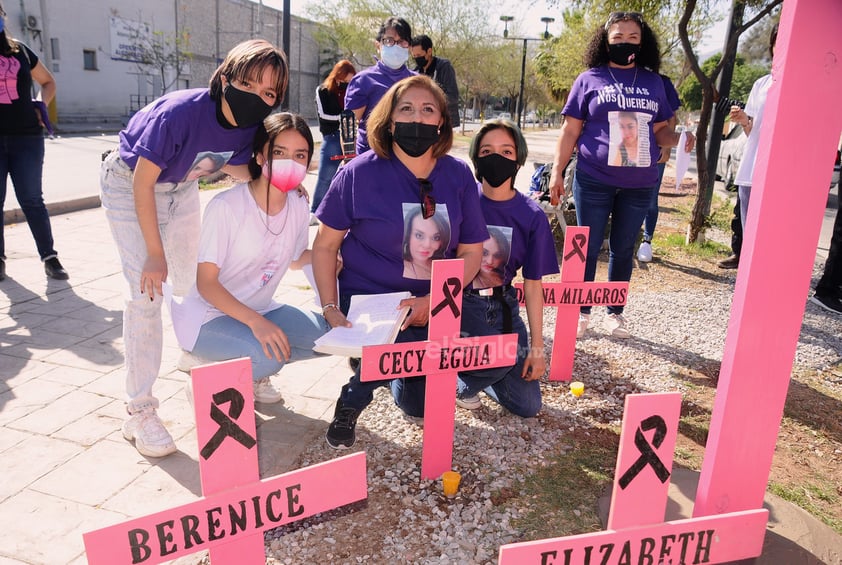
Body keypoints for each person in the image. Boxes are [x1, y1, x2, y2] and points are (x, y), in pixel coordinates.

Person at [101, 39, 288, 458]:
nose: (258, 96)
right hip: (129, 180)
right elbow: (142, 182)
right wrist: (154, 251)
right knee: (146, 293)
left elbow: (239, 167)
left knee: (193, 286)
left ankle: (198, 357)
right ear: (225, 77)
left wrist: (281, 182)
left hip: (182, 187)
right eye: (249, 83)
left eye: (270, 92)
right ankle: (139, 409)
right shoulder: (179, 113)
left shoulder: (249, 127)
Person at [312, 75, 488, 449]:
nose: (417, 118)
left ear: (442, 121)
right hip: (373, 297)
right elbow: (326, 246)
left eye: (428, 110)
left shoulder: (457, 175)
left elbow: (472, 250)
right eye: (405, 109)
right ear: (389, 121)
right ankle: (353, 398)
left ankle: (389, 371)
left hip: (438, 298)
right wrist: (329, 307)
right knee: (393, 344)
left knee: (431, 393)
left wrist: (438, 300)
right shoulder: (358, 173)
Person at [547, 11, 695, 339]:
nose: (624, 43)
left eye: (632, 38)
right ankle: (582, 311)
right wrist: (557, 171)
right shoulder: (589, 79)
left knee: (623, 247)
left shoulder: (654, 83)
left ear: (643, 44)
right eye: (617, 38)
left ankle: (615, 313)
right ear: (605, 41)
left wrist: (681, 138)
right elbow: (570, 131)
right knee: (584, 246)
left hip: (639, 183)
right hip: (593, 178)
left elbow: (661, 133)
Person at [171, 113, 328, 403]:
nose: (289, 162)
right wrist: (256, 323)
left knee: (328, 338)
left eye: (299, 155)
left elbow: (295, 259)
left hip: (261, 308)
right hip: (206, 318)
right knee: (269, 357)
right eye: (279, 152)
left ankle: (249, 368)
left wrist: (332, 255)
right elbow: (206, 284)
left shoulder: (297, 204)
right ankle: (205, 369)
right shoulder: (227, 207)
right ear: (259, 156)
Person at [457, 119, 559, 415]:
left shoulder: (532, 215)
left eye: (506, 151)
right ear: (476, 158)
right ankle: (464, 381)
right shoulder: (462, 200)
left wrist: (537, 350)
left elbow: (533, 285)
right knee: (499, 360)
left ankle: (487, 373)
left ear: (518, 160)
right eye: (487, 151)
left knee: (527, 405)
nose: (496, 159)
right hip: (463, 305)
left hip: (503, 306)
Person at [0, 3, 67, 281]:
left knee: (31, 199)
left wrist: (40, 105)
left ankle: (49, 257)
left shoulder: (21, 51)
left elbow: (48, 82)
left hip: (27, 136)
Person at [344, 17, 415, 155]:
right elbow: (348, 126)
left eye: (402, 41)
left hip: (407, 163)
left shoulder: (418, 83)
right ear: (378, 45)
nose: (395, 46)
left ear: (409, 46)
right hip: (370, 161)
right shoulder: (363, 81)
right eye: (389, 41)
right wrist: (350, 161)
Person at [731, 23, 777, 233]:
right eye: (778, 42)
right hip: (752, 171)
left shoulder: (804, 88)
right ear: (773, 46)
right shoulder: (761, 85)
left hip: (780, 175)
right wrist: (743, 120)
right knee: (750, 233)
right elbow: (752, 132)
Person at [637, 73, 681, 263]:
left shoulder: (660, 82)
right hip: (621, 154)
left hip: (653, 152)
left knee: (650, 199)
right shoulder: (612, 74)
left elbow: (672, 118)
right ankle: (623, 238)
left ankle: (646, 241)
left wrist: (666, 148)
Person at [313, 59, 356, 214]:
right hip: (332, 137)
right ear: (337, 76)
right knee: (326, 176)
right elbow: (324, 115)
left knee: (351, 177)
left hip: (351, 137)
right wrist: (345, 117)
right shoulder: (323, 91)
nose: (346, 84)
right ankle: (316, 209)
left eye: (350, 81)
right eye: (344, 80)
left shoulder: (353, 91)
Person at [410, 34, 460, 127]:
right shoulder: (414, 72)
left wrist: (432, 101)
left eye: (419, 55)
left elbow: (453, 96)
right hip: (423, 123)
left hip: (444, 122)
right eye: (414, 56)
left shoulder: (444, 67)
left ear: (429, 51)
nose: (417, 59)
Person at [401, 206, 450, 279]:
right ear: (407, 235)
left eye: (436, 238)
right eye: (419, 235)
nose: (427, 245)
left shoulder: (443, 266)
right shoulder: (399, 267)